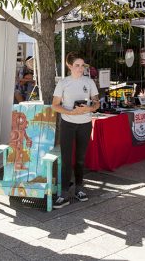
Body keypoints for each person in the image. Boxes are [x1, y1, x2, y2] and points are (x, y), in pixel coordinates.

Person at [52, 52, 100, 209]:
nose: (81, 68)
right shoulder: (63, 83)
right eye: (77, 65)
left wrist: (90, 108)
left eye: (82, 65)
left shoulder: (89, 81)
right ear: (70, 66)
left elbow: (97, 103)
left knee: (80, 159)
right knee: (66, 160)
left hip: (85, 124)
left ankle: (79, 188)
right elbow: (55, 105)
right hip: (68, 124)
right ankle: (64, 193)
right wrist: (70, 112)